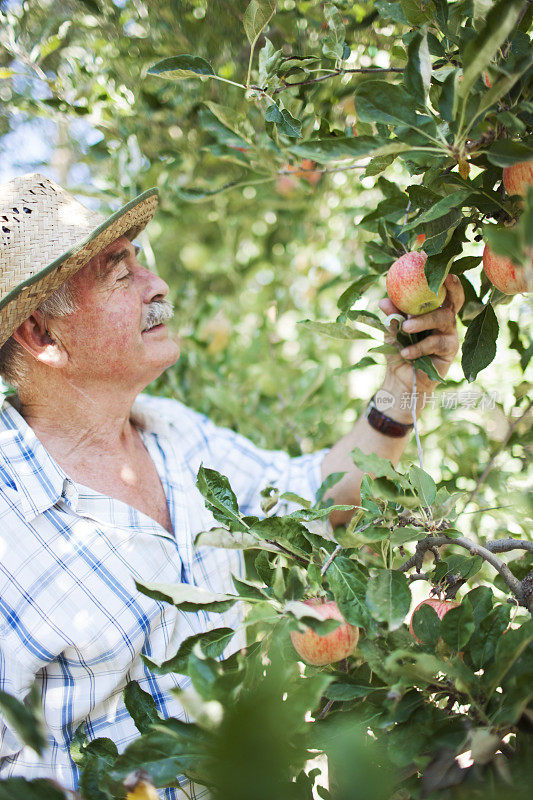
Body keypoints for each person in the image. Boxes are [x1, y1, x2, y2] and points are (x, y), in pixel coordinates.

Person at [0, 173, 464, 797]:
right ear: (40, 334)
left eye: (142, 262)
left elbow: (320, 495)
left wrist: (406, 385)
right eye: (119, 273)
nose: (156, 285)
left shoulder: (177, 435)